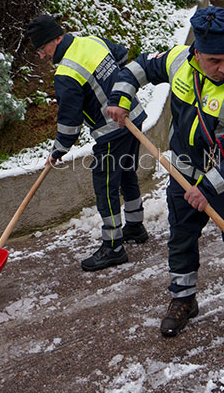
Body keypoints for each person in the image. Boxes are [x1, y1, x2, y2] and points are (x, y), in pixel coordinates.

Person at [106, 7, 224, 354]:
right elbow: (136, 67)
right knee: (181, 240)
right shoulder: (179, 60)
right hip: (183, 178)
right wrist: (121, 98)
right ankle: (183, 301)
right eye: (215, 60)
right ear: (197, 53)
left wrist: (209, 187)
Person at [26, 14, 150, 272]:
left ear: (55, 39)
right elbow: (122, 55)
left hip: (111, 130)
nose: (42, 56)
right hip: (133, 117)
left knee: (105, 184)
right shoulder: (91, 41)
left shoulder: (66, 73)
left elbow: (70, 122)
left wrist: (59, 149)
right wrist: (115, 91)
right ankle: (135, 226)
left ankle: (113, 246)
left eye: (41, 49)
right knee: (126, 172)